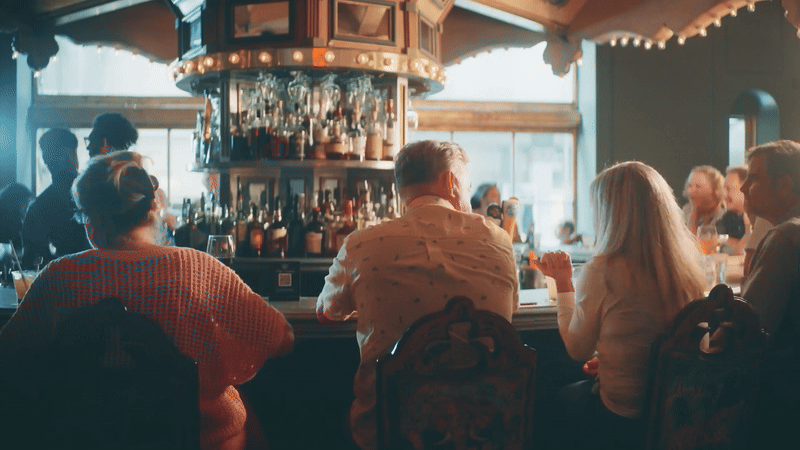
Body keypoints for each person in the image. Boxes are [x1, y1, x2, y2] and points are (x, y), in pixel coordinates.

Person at [0, 151, 294, 450]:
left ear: (93, 218)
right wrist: (213, 354)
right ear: (152, 209)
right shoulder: (198, 268)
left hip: (87, 438)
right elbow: (280, 338)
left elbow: (9, 353)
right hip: (198, 438)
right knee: (245, 411)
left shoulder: (60, 275)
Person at [316, 140, 520, 450]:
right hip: (483, 432)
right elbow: (509, 315)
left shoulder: (362, 245)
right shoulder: (500, 241)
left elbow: (326, 313)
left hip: (393, 433)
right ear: (451, 181)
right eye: (466, 185)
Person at [539, 161, 705, 450]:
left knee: (559, 396)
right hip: (676, 415)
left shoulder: (602, 270)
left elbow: (577, 350)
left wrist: (564, 282)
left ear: (610, 214)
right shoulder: (686, 269)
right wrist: (614, 360)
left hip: (622, 418)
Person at [738, 140, 800, 448]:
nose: (743, 188)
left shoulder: (785, 238)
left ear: (785, 184)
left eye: (754, 178)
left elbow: (750, 328)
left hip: (781, 396)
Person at [21, 128, 91, 269]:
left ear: (45, 159)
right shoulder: (96, 195)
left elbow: (30, 264)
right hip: (101, 276)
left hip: (56, 279)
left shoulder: (38, 208)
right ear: (72, 155)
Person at [682, 165, 726, 235]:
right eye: (690, 186)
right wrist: (694, 212)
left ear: (715, 191)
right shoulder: (686, 211)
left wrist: (694, 211)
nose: (691, 191)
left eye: (698, 187)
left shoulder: (724, 217)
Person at [716, 166, 749, 255]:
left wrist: (736, 243)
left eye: (728, 189)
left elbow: (743, 251)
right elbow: (715, 242)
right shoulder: (730, 217)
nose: (724, 194)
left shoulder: (759, 218)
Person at [0, 182, 33, 250]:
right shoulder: (14, 225)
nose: (27, 208)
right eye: (26, 204)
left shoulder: (15, 223)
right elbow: (18, 251)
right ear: (17, 204)